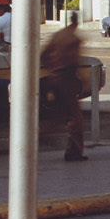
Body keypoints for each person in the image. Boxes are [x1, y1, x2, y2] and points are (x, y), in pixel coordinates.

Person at [40, 20, 87, 162]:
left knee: (59, 113)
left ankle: (42, 134)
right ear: (76, 24)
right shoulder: (74, 39)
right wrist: (80, 79)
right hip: (66, 79)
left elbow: (43, 55)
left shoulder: (57, 35)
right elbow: (74, 61)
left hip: (54, 78)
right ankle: (74, 152)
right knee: (75, 118)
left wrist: (52, 69)